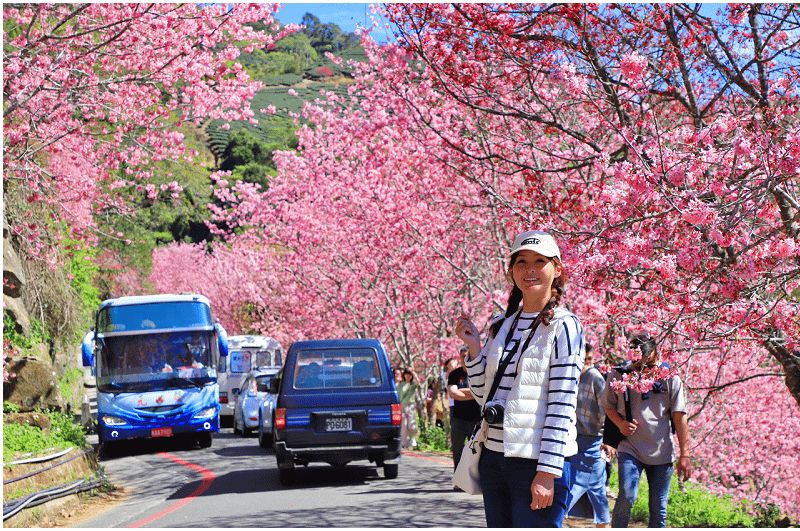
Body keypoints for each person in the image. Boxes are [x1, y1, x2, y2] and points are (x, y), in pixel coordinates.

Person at [455, 230, 584, 528]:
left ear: (557, 269)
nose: (530, 269)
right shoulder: (502, 325)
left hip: (536, 463)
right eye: (521, 261)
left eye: (540, 261)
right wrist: (475, 349)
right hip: (493, 459)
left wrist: (547, 471)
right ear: (512, 270)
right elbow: (482, 395)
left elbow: (562, 404)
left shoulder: (565, 326)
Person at [601, 335, 693, 528]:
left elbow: (679, 416)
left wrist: (685, 454)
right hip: (630, 447)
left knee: (658, 508)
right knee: (626, 496)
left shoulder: (670, 378)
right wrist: (620, 424)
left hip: (662, 452)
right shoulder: (620, 374)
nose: (636, 364)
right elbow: (608, 406)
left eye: (641, 357)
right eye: (633, 358)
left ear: (652, 353)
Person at [566, 343, 612, 527]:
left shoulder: (595, 377)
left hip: (594, 440)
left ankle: (557, 516)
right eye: (585, 360)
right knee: (589, 487)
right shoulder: (570, 376)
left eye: (591, 359)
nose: (588, 364)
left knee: (589, 487)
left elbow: (607, 411)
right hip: (574, 439)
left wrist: (608, 440)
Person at [448, 345, 482, 489]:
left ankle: (476, 481)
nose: (465, 358)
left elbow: (483, 392)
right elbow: (453, 393)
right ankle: (459, 481)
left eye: (467, 355)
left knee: (476, 451)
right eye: (462, 355)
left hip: (476, 418)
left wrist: (465, 392)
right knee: (457, 450)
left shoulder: (479, 371)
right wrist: (474, 393)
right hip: (458, 418)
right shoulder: (455, 374)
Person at [397, 368, 419, 449]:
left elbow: (418, 382)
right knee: (404, 425)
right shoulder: (400, 385)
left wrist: (413, 372)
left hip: (411, 406)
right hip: (402, 405)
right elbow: (398, 396)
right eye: (407, 374)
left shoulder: (413, 384)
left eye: (409, 374)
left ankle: (412, 438)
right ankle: (405, 444)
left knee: (412, 425)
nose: (408, 376)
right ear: (404, 375)